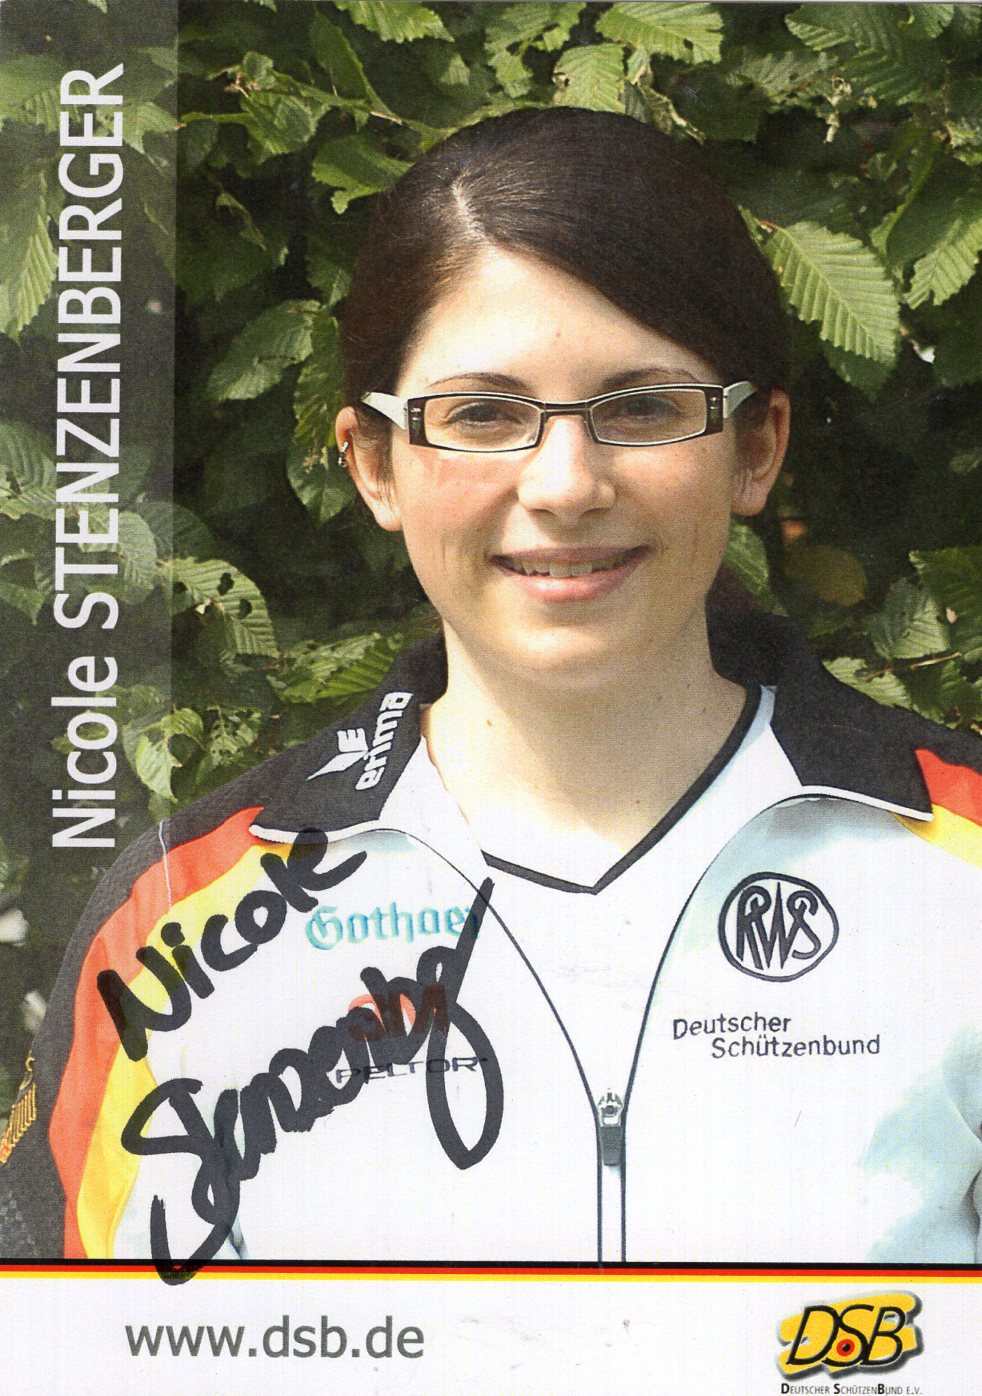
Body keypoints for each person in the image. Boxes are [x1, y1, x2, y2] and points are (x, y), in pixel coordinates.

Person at [1, 108, 980, 1276]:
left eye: (642, 407)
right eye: (481, 414)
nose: (564, 485)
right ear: (374, 463)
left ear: (755, 447)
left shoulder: (960, 867)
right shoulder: (176, 916)